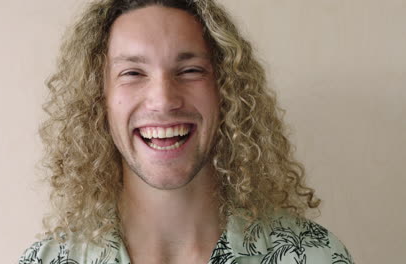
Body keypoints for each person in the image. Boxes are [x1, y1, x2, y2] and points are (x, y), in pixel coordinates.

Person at [18, 0, 354, 263]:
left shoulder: (312, 256)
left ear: (226, 90)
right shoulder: (48, 261)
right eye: (133, 73)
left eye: (190, 70)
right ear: (98, 97)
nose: (163, 100)